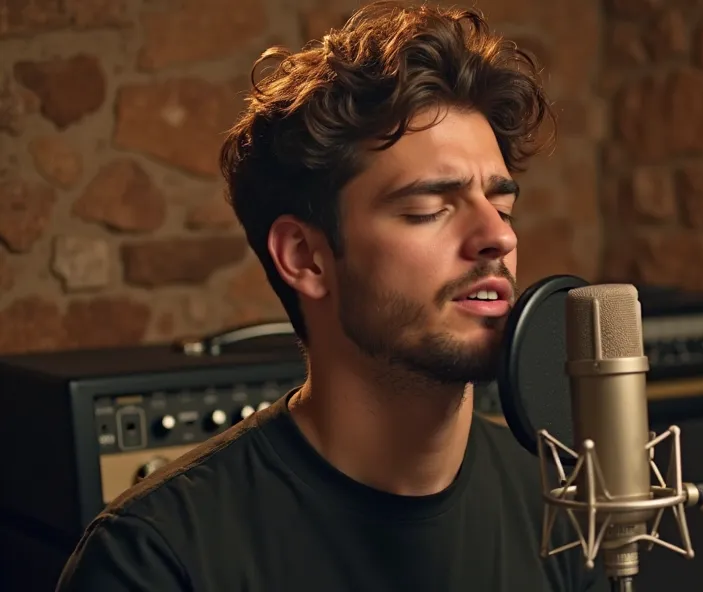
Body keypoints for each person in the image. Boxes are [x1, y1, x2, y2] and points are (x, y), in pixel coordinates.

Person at [55, 2, 609, 591]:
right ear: (305, 258)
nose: (498, 236)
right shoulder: (154, 559)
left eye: (502, 207)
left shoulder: (562, 507)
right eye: (429, 209)